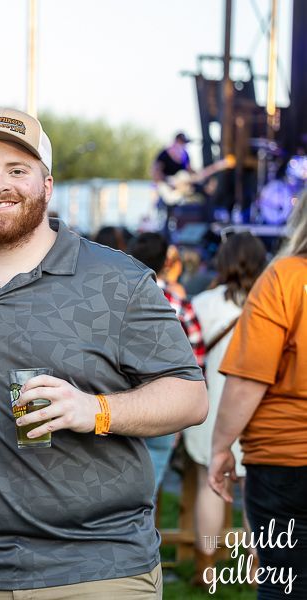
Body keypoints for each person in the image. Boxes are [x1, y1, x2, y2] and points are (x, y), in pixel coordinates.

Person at [0, 107, 208, 597]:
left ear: (47, 186)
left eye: (17, 171)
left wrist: (96, 409)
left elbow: (190, 396)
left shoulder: (118, 280)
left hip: (98, 567)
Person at [209, 192, 307, 599]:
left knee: (287, 586)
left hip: (286, 464)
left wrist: (220, 447)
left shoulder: (285, 278)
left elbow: (249, 379)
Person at [185, 232, 267, 584]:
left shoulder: (203, 302)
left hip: (210, 409)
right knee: (256, 491)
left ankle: (206, 569)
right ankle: (255, 570)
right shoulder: (271, 301)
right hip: (260, 410)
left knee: (209, 484)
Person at [127, 231, 206, 496]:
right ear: (166, 263)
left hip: (122, 400)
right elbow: (197, 359)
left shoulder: (115, 296)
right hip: (166, 403)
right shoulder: (179, 303)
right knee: (150, 491)